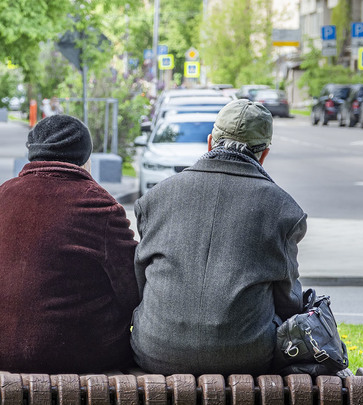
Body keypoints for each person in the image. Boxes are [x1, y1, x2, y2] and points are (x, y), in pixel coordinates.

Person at [130, 99, 307, 376]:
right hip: (247, 356)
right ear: (264, 154)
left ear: (211, 142)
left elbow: (141, 281)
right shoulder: (283, 209)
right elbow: (288, 302)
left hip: (155, 349)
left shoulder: (156, 198)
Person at [0, 114, 139, 373]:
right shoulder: (100, 205)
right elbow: (132, 288)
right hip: (73, 352)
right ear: (86, 160)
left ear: (32, 154)